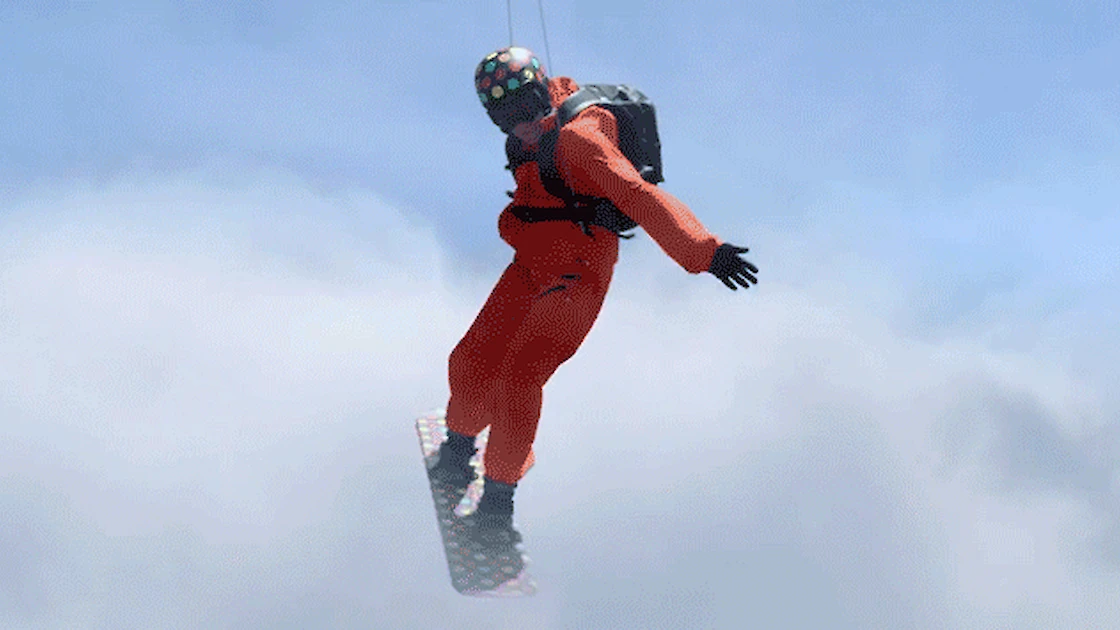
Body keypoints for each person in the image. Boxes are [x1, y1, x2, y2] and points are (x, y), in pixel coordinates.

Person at [428, 46, 759, 549]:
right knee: (472, 360)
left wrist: (705, 252)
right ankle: (459, 445)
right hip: (532, 263)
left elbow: (639, 197)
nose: (517, 125)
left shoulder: (580, 141)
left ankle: (497, 508)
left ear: (541, 94)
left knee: (519, 380)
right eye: (502, 117)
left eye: (524, 108)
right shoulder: (526, 143)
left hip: (578, 272)